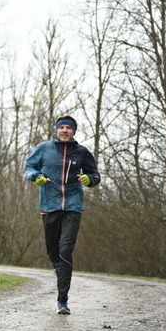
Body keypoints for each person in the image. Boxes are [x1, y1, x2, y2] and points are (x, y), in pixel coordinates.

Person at [23, 116, 101, 315]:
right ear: (57, 130)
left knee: (65, 249)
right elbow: (29, 168)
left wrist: (89, 179)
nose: (65, 130)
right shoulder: (44, 149)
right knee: (53, 252)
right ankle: (59, 269)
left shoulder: (82, 152)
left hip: (73, 207)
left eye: (68, 128)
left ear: (74, 131)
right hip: (49, 206)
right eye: (62, 127)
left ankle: (62, 300)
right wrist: (37, 177)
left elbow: (95, 175)